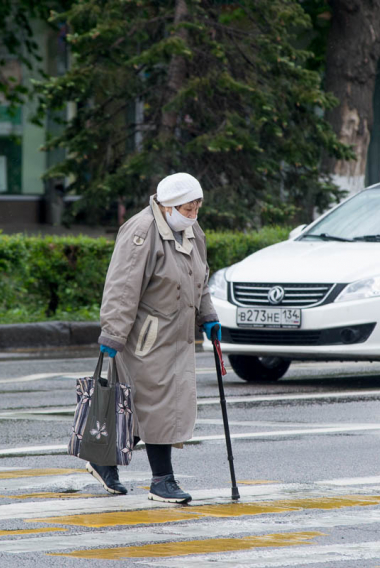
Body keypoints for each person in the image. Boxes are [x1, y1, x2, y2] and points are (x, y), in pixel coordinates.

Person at [88, 172, 220, 504]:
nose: (193, 215)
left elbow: (198, 274)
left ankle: (103, 460)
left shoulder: (189, 230)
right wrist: (113, 332)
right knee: (159, 405)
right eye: (188, 209)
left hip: (177, 335)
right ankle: (163, 480)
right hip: (146, 336)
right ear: (168, 205)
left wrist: (209, 315)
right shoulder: (141, 231)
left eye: (196, 208)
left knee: (146, 406)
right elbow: (122, 287)